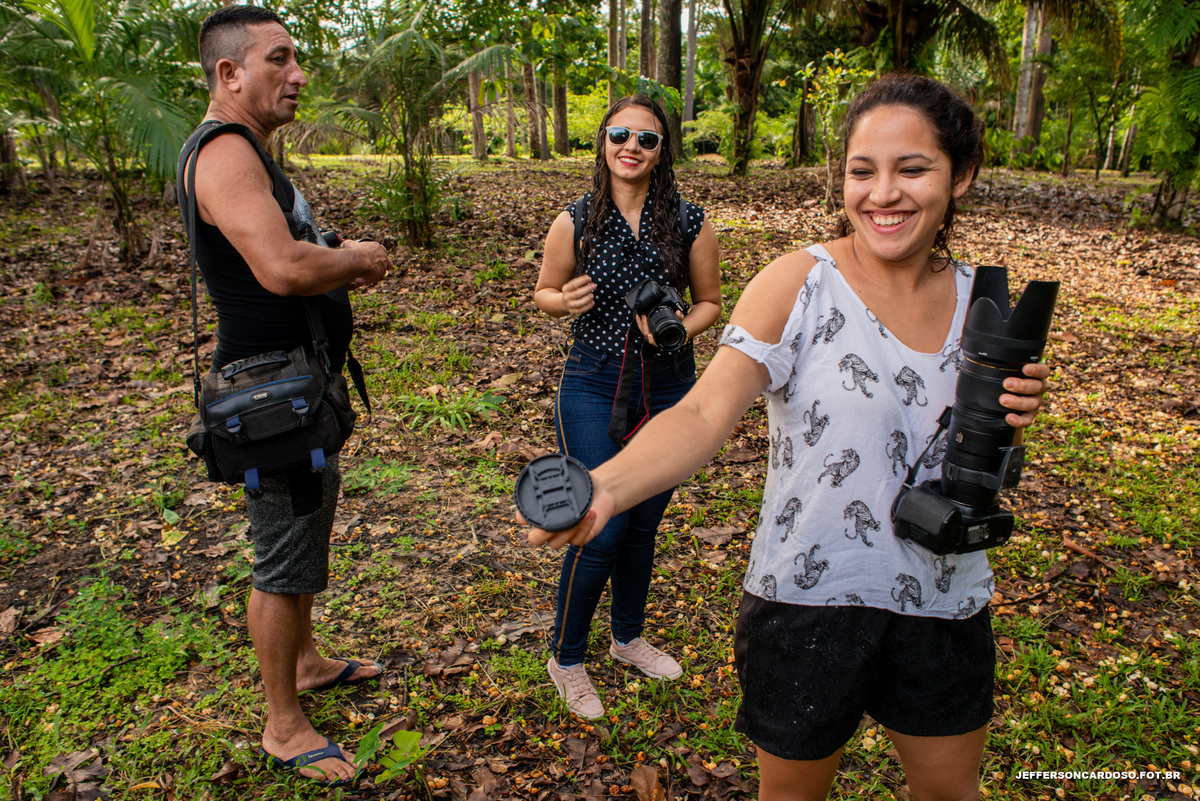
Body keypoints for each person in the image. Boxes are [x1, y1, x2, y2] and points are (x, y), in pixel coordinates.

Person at [527, 74, 1052, 800]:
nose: (883, 193)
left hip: (943, 596)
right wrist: (608, 484)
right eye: (862, 171)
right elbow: (705, 413)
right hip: (809, 597)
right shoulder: (799, 282)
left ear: (960, 176)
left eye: (913, 169)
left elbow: (980, 458)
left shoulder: (982, 302)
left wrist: (1011, 423)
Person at [178, 5, 390, 787]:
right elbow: (282, 269)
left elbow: (285, 254)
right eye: (279, 59)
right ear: (230, 73)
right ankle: (282, 720)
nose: (297, 74)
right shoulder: (228, 151)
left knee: (304, 528)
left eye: (296, 59)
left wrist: (325, 254)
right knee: (281, 555)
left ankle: (305, 661)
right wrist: (357, 258)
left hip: (291, 382)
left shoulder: (242, 151)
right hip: (271, 395)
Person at [532, 95, 722, 720]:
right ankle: (567, 656)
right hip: (593, 384)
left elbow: (710, 304)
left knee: (643, 526)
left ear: (663, 151)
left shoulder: (690, 221)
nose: (631, 147)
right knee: (601, 522)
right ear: (603, 142)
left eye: (646, 138)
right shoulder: (576, 220)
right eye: (620, 135)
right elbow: (543, 293)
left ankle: (627, 638)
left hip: (668, 387)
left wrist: (677, 331)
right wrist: (565, 302)